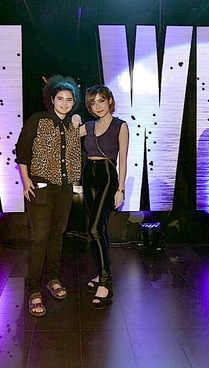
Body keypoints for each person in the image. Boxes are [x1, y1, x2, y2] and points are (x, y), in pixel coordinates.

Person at [15, 75, 82, 317]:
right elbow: (22, 150)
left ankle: (53, 279)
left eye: (69, 99)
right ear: (52, 99)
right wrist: (26, 181)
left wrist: (76, 124)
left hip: (64, 189)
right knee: (39, 238)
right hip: (40, 187)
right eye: (60, 98)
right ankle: (34, 290)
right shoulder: (39, 120)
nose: (64, 103)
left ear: (74, 102)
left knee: (57, 235)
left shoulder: (72, 124)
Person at [78, 85, 129, 309]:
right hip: (89, 175)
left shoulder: (120, 125)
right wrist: (74, 119)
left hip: (108, 176)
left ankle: (106, 280)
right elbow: (65, 134)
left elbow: (124, 159)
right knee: (101, 227)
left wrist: (121, 189)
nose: (97, 106)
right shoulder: (88, 126)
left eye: (101, 101)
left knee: (94, 229)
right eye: (93, 103)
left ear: (110, 101)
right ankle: (102, 273)